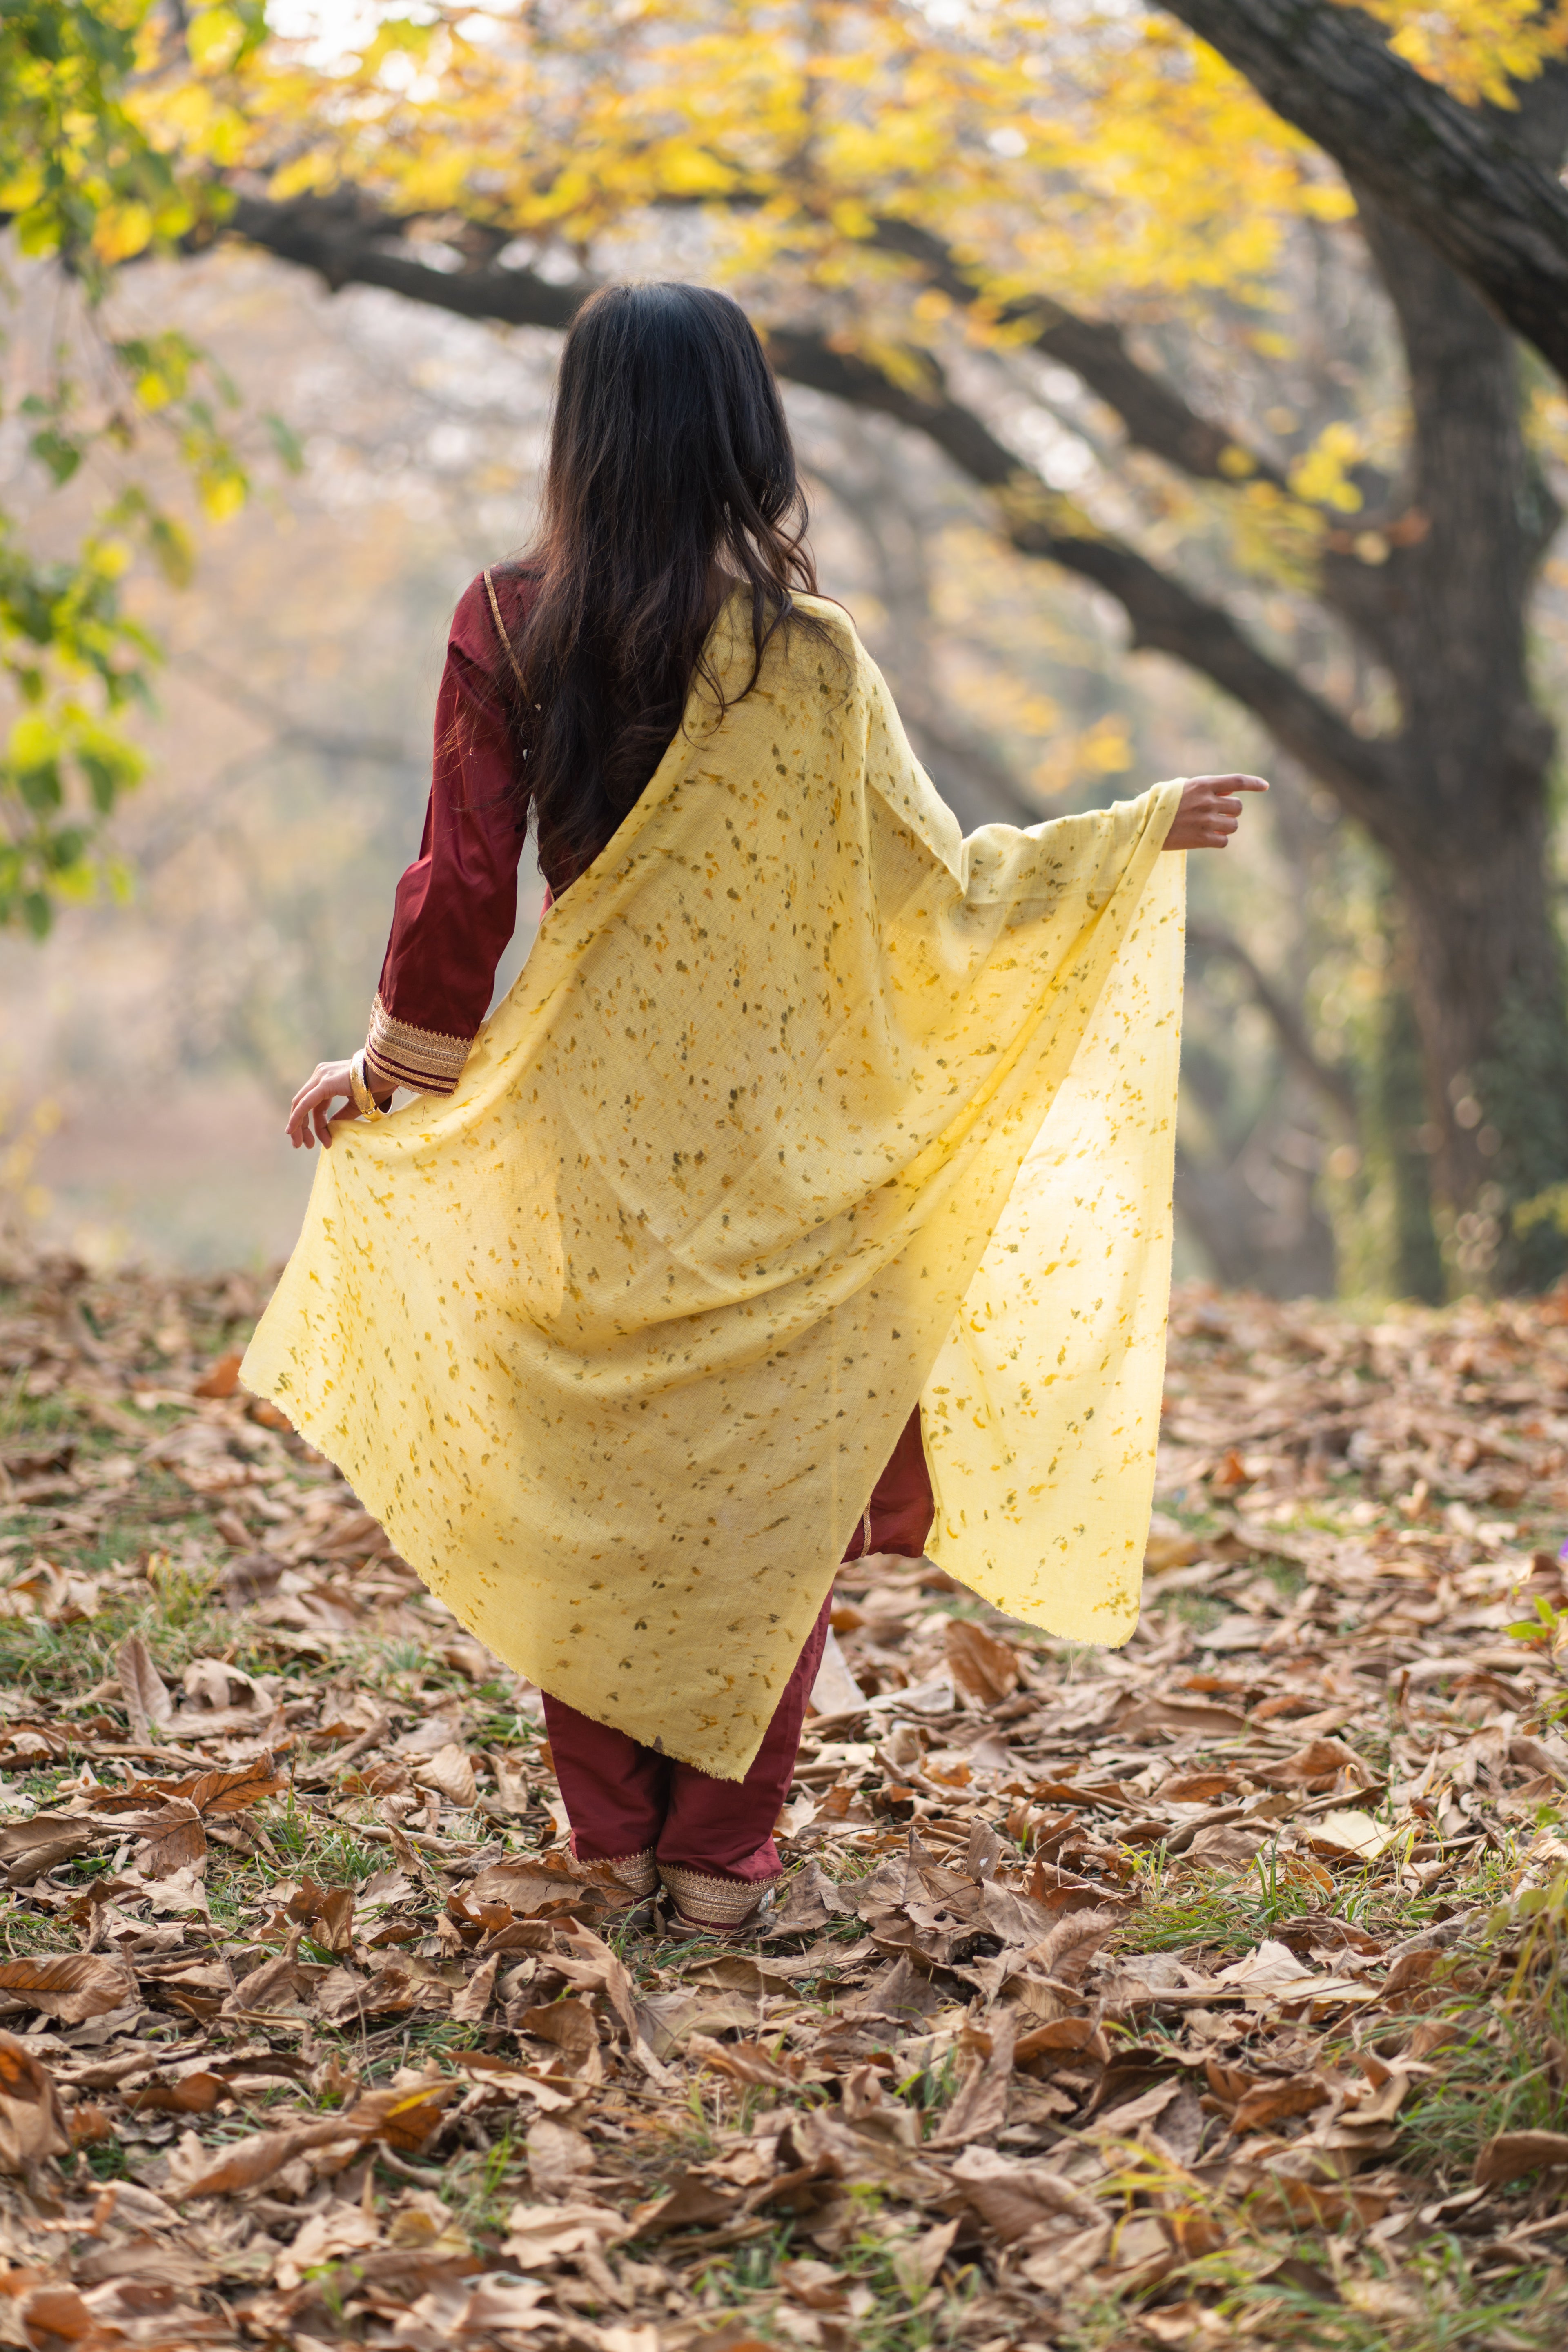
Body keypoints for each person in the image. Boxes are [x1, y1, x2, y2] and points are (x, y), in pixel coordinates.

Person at [249, 281, 1264, 1936]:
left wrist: (384, 1082)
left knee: (597, 1462)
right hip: (784, 1134)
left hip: (584, 1121)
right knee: (763, 1475)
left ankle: (612, 1841)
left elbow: (459, 891)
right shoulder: (806, 655)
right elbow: (929, 889)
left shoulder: (509, 622)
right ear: (747, 432)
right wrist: (1124, 839)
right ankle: (722, 1855)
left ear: (582, 433)